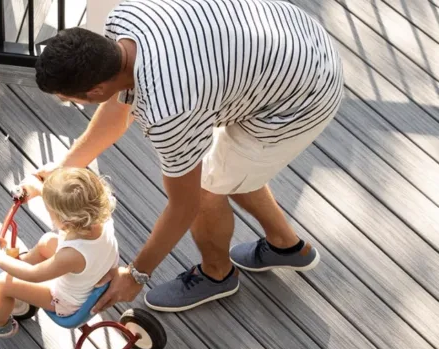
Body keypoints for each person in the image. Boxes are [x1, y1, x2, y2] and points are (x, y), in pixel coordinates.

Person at [30, 0, 344, 313]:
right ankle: (285, 245)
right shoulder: (124, 18)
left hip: (301, 97)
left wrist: (136, 274)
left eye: (65, 98)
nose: (64, 101)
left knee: (208, 190)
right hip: (296, 34)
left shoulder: (169, 110)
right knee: (233, 171)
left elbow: (185, 205)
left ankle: (218, 275)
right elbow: (119, 106)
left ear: (95, 90)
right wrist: (64, 168)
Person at [0, 168, 119, 339]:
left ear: (66, 221)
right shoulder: (99, 218)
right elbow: (69, 200)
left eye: (51, 213)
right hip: (93, 274)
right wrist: (40, 189)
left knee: (3, 284)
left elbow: (34, 275)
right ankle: (15, 268)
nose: (50, 215)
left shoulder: (71, 255)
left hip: (67, 303)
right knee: (47, 242)